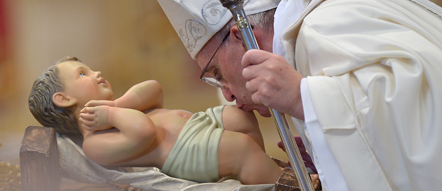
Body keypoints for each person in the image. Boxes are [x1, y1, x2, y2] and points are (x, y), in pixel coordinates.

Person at [129, 0, 442, 191]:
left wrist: (302, 98)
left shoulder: (322, 28)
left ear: (241, 37)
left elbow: (429, 92)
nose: (226, 93)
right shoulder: (305, 37)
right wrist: (327, 148)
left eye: (216, 72)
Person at [28, 56, 287, 185]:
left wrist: (117, 105)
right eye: (82, 74)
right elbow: (144, 132)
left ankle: (257, 175)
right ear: (63, 99)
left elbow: (154, 89)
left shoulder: (120, 106)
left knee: (239, 114)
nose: (96, 72)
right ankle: (285, 184)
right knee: (241, 149)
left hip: (201, 124)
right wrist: (111, 114)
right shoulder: (95, 143)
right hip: (186, 151)